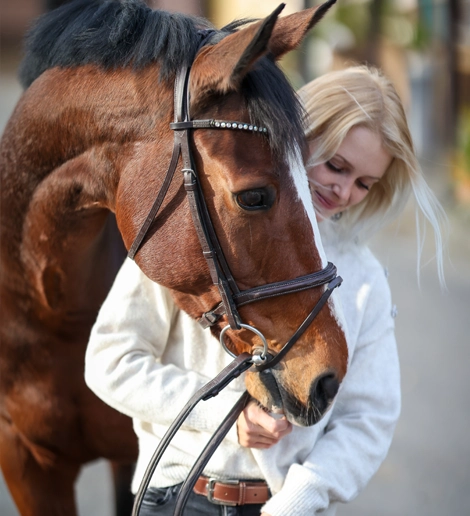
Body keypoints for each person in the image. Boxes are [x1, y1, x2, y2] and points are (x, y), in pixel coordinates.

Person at [85, 65, 446, 516]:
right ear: (297, 133)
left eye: (364, 184)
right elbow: (110, 360)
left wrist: (298, 500)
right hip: (178, 495)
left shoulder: (362, 277)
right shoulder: (200, 228)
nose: (344, 189)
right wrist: (223, 417)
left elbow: (368, 419)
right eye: (337, 165)